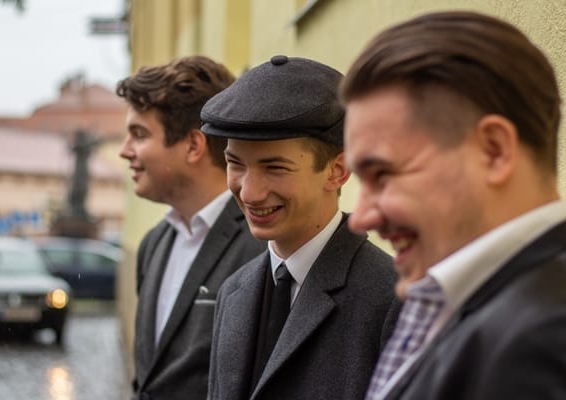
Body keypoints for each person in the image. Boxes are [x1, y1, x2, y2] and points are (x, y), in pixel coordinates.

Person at [340, 11, 566, 400]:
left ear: (493, 151)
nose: (360, 218)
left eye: (383, 174)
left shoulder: (539, 338)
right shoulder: (471, 302)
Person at [201, 55, 400, 400]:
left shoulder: (392, 298)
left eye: (274, 168)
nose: (249, 193)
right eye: (236, 164)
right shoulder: (233, 290)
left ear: (337, 171)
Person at [117, 56, 266, 400]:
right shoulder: (153, 244)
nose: (125, 151)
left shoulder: (261, 244)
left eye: (139, 134)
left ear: (194, 145)